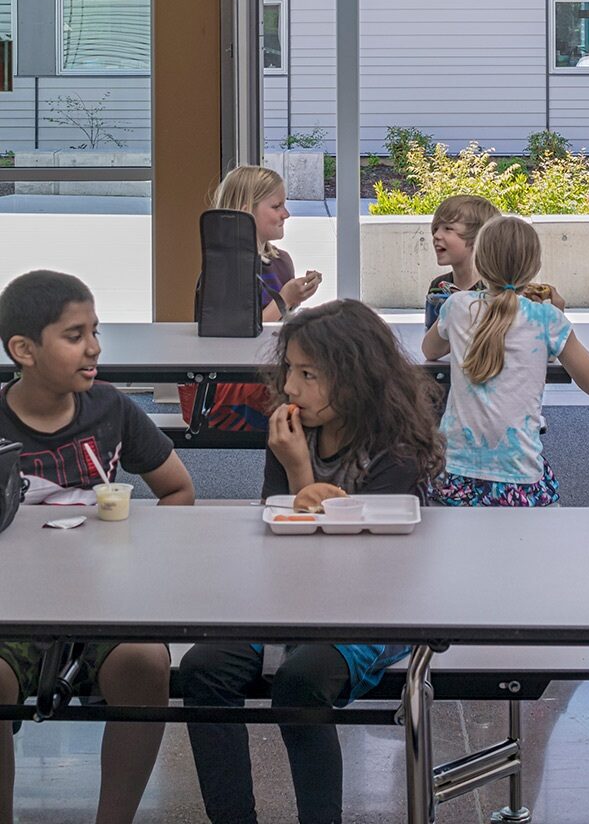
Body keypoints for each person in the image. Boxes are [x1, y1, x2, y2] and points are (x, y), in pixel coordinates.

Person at [179, 300, 444, 824]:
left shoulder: (398, 450)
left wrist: (299, 472)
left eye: (308, 374)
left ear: (355, 378)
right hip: (291, 595)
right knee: (202, 669)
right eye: (289, 371)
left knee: (300, 682)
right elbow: (281, 530)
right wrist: (293, 473)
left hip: (375, 607)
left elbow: (359, 560)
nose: (292, 388)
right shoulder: (294, 431)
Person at [0, 270, 194, 824]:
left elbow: (179, 489)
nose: (94, 347)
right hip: (13, 611)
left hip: (104, 604)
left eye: (96, 331)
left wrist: (139, 553)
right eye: (74, 334)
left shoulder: (111, 410)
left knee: (145, 663)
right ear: (24, 350)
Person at [422, 215, 589, 506]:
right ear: (534, 269)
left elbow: (430, 350)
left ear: (479, 264)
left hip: (455, 474)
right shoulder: (546, 318)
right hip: (519, 475)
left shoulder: (457, 307)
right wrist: (559, 317)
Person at [180, 166, 323, 433]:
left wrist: (296, 299)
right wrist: (285, 298)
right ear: (246, 211)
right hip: (230, 385)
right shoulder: (223, 272)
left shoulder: (282, 261)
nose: (286, 214)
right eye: (277, 206)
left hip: (268, 370)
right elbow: (238, 333)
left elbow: (275, 324)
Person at [424, 194, 501, 329]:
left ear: (478, 237)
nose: (436, 235)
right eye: (436, 229)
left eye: (448, 229)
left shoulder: (493, 289)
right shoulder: (437, 286)